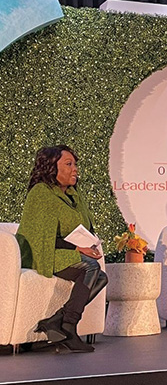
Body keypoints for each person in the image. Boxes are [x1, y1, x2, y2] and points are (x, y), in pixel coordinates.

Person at [16, 145, 108, 353]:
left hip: (66, 252)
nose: (75, 169)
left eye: (75, 164)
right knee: (90, 268)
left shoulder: (75, 196)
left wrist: (90, 244)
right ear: (51, 167)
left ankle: (55, 321)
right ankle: (68, 326)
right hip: (43, 253)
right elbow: (42, 238)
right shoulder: (40, 193)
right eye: (68, 164)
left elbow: (84, 227)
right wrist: (78, 249)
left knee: (102, 278)